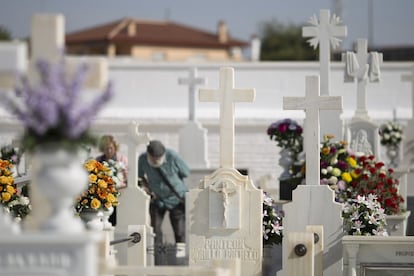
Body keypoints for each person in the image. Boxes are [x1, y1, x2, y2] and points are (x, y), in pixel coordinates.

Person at [138, 140, 190, 248]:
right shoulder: (142, 159)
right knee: (155, 230)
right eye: (153, 158)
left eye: (158, 158)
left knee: (179, 232)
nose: (156, 160)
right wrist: (148, 189)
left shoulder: (172, 156)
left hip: (176, 198)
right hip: (158, 199)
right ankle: (157, 257)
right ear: (148, 155)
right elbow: (140, 176)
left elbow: (185, 172)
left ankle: (181, 259)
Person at [96, 135, 128, 226]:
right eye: (106, 149)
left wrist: (117, 184)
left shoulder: (122, 159)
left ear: (115, 147)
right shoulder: (98, 160)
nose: (109, 151)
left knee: (114, 220)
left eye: (110, 148)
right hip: (102, 195)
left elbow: (127, 178)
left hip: (118, 194)